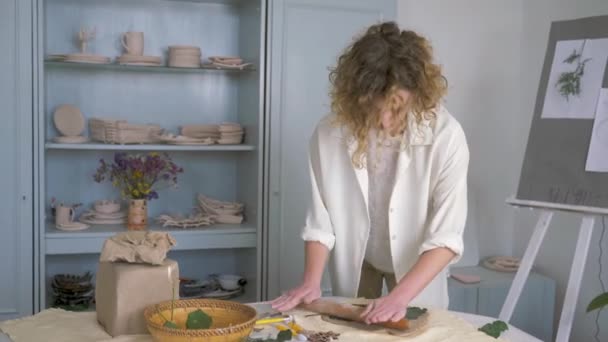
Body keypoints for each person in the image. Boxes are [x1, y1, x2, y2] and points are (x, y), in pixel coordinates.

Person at [271, 21, 469, 324]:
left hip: (417, 264)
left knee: (416, 331)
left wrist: (400, 297)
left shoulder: (446, 136)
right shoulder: (329, 133)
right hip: (358, 259)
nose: (386, 121)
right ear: (357, 99)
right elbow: (320, 221)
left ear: (417, 95)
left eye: (397, 108)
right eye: (376, 109)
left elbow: (447, 235)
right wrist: (311, 281)